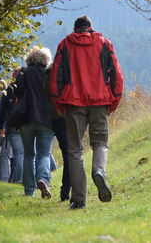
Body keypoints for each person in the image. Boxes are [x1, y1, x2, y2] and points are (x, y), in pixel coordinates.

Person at [50, 16, 124, 209]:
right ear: (90, 28)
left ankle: (79, 198)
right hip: (100, 101)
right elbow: (117, 74)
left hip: (74, 103)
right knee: (100, 142)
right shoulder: (105, 44)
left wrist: (58, 102)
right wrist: (114, 100)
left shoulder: (65, 44)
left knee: (75, 150)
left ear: (75, 29)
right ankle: (99, 171)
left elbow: (56, 76)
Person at [15, 46, 54, 198]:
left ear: (29, 59)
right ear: (46, 59)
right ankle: (43, 179)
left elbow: (17, 91)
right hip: (46, 118)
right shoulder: (49, 73)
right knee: (44, 154)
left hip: (26, 118)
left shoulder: (24, 73)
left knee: (29, 155)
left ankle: (29, 190)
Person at [44, 67, 71, 202]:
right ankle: (68, 190)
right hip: (74, 114)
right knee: (73, 154)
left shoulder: (51, 70)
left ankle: (66, 191)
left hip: (57, 117)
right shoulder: (76, 64)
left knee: (67, 154)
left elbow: (45, 94)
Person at [0, 69, 25, 183]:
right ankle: (25, 178)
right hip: (25, 123)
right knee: (26, 153)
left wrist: (1, 126)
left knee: (18, 153)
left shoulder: (9, 90)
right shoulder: (26, 88)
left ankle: (18, 178)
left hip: (13, 124)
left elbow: (3, 110)